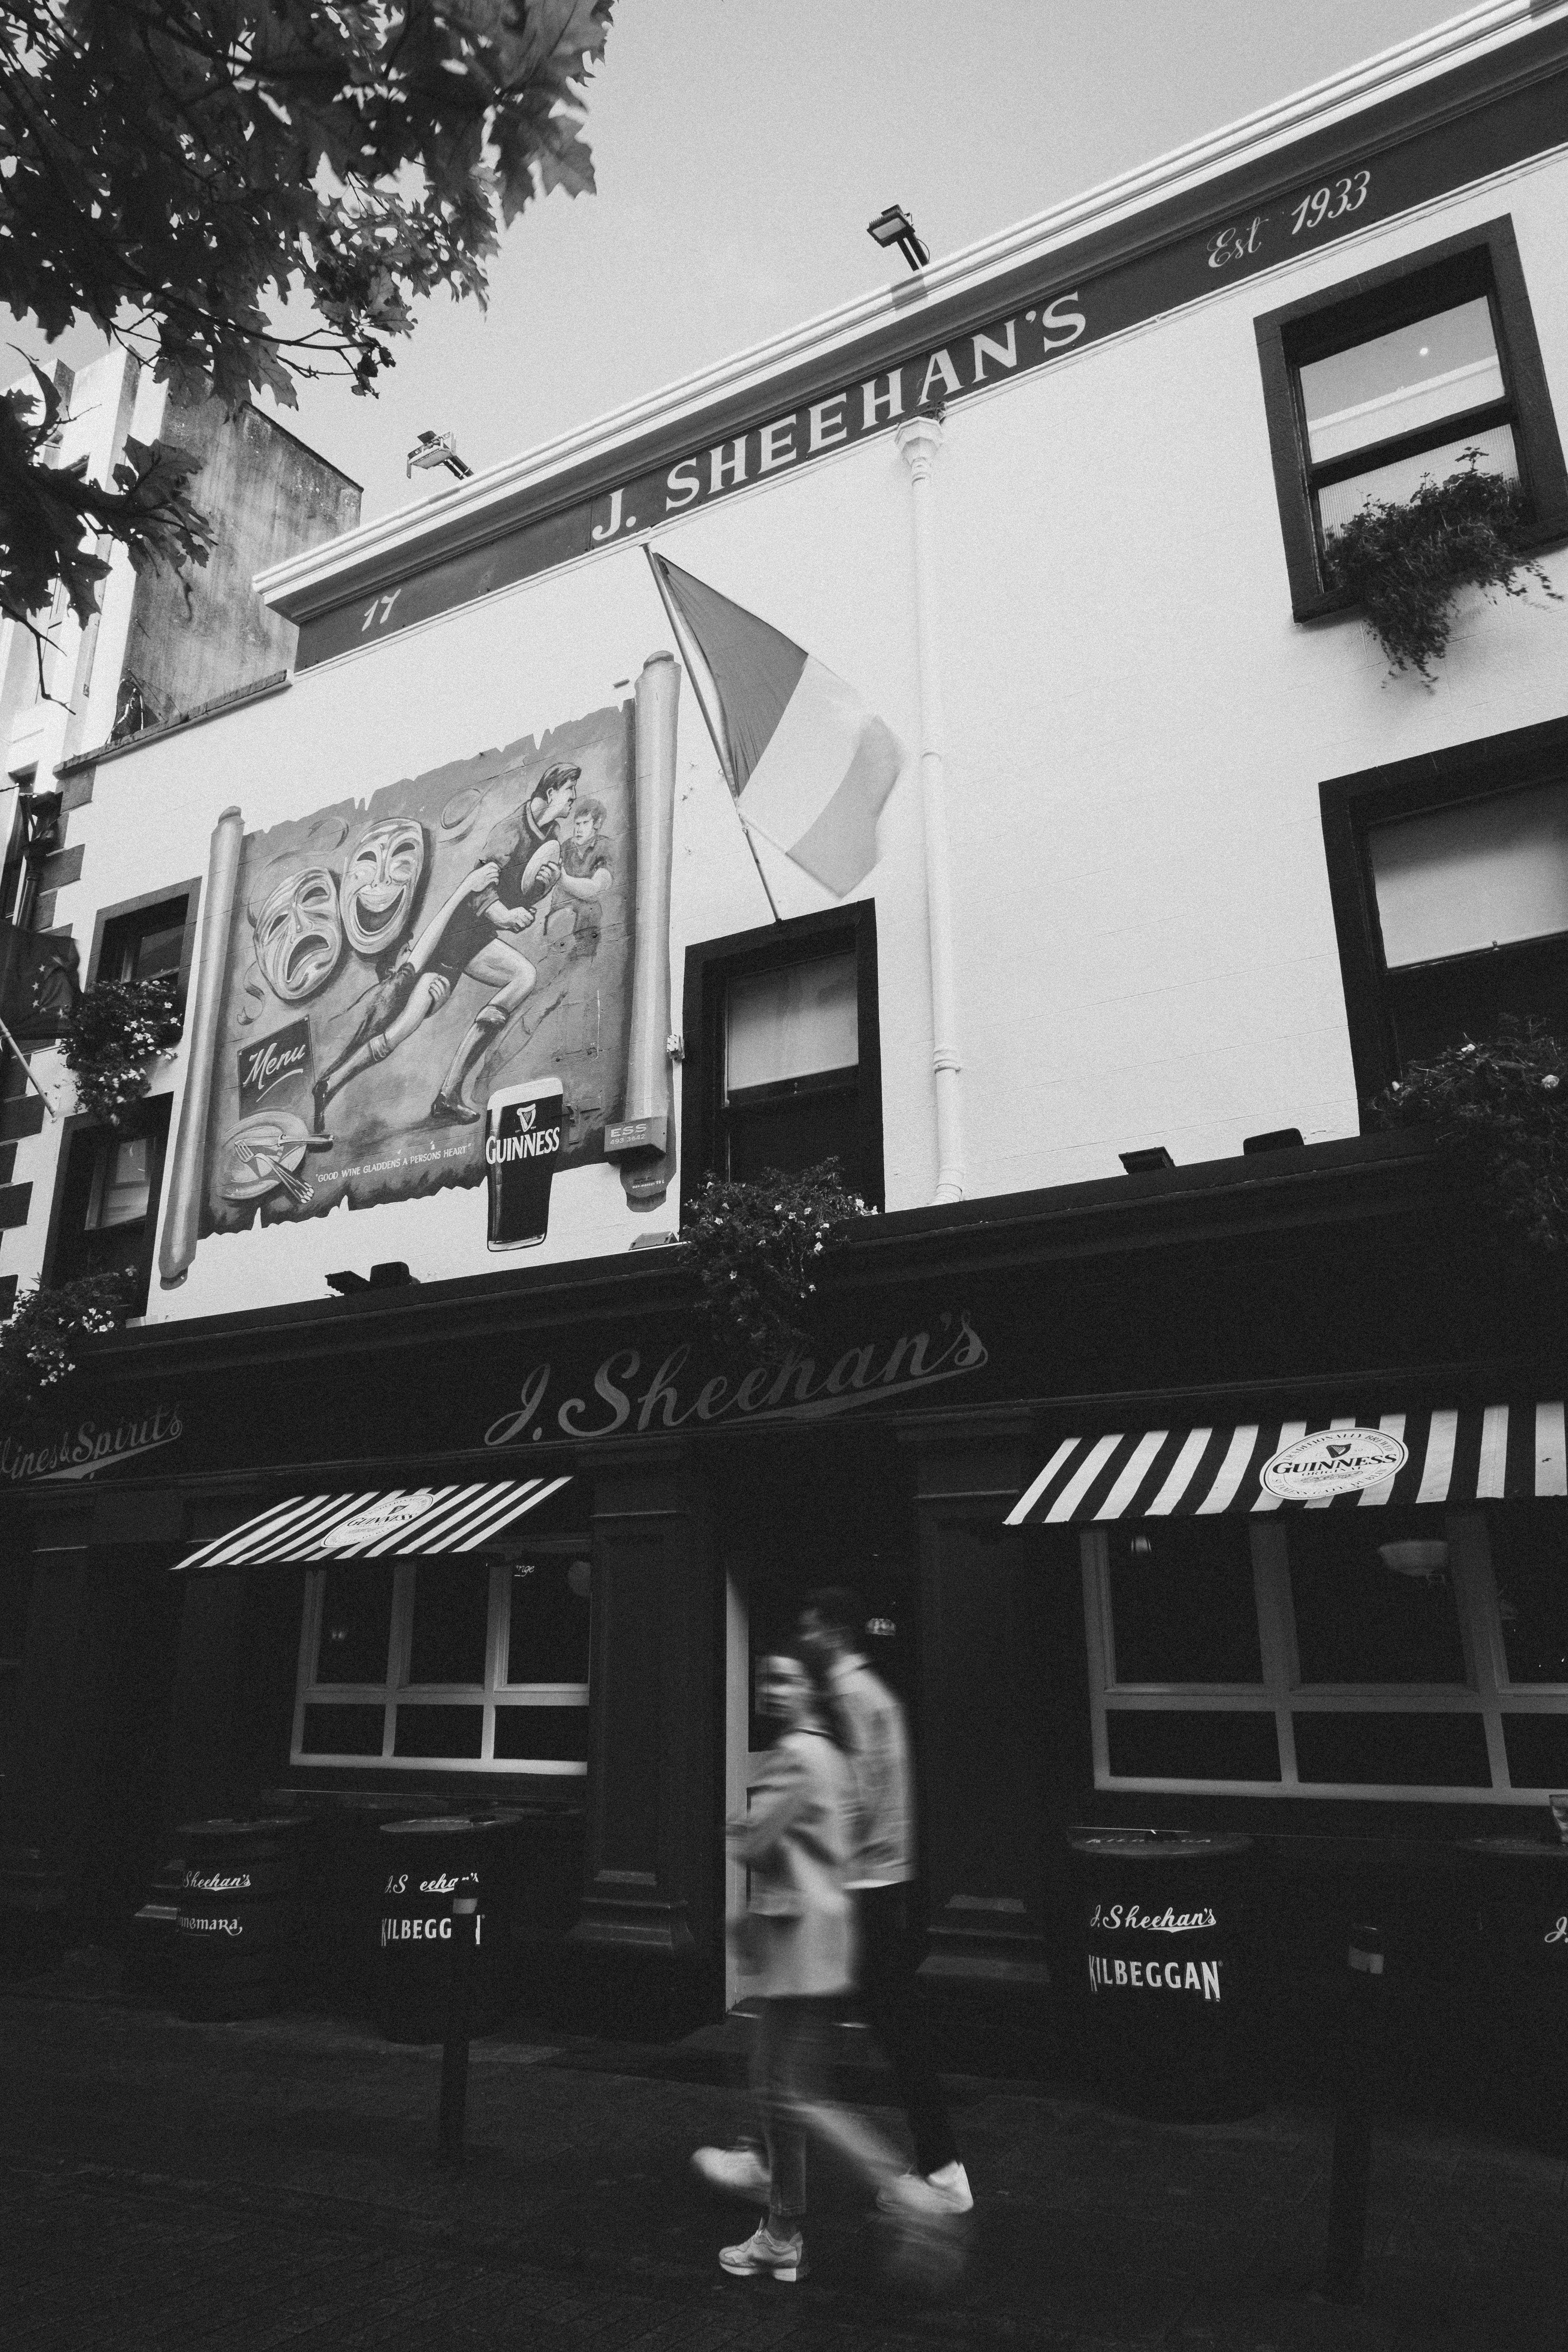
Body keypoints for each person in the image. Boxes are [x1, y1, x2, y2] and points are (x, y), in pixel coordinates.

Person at [798, 1586, 973, 2214]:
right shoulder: (878, 1695)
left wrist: (817, 1861)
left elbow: (859, 1798)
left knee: (869, 2022)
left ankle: (944, 2169)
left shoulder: (848, 1695)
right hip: (881, 1881)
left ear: (838, 1636)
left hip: (858, 1888)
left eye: (813, 1631)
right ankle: (940, 2165)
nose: (806, 1641)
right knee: (847, 2021)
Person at [310, 763, 580, 1135]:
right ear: (551, 792)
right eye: (570, 792)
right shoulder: (509, 831)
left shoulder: (550, 834)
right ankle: (346, 1085)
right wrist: (504, 914)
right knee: (401, 1030)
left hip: (475, 943)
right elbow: (483, 887)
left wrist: (540, 889)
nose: (573, 801)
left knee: (515, 980)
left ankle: (438, 1093)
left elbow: (526, 886)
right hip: (460, 939)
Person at [710, 1649, 857, 2284]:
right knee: (784, 2090)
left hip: (799, 1939)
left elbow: (754, 1839)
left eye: (786, 1678)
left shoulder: (796, 1755)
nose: (772, 1687)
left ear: (809, 1692)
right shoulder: (832, 1756)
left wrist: (744, 1827)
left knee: (783, 2093)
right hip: (823, 1933)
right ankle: (779, 2221)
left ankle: (786, 2230)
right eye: (768, 1677)